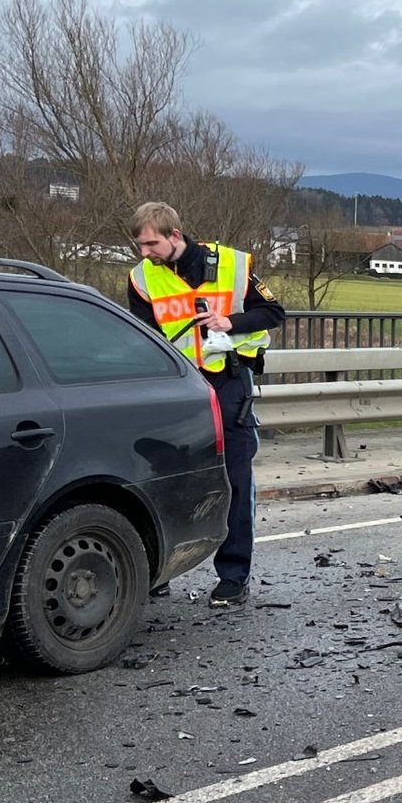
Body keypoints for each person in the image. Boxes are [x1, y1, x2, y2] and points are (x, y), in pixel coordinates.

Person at [125, 202, 284, 606]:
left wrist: (230, 322)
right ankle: (159, 570)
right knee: (162, 480)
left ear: (175, 235)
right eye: (140, 245)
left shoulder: (232, 264)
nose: (145, 253)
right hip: (175, 389)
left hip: (227, 382)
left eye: (151, 244)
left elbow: (273, 312)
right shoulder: (142, 278)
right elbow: (143, 337)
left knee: (234, 478)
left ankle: (234, 575)